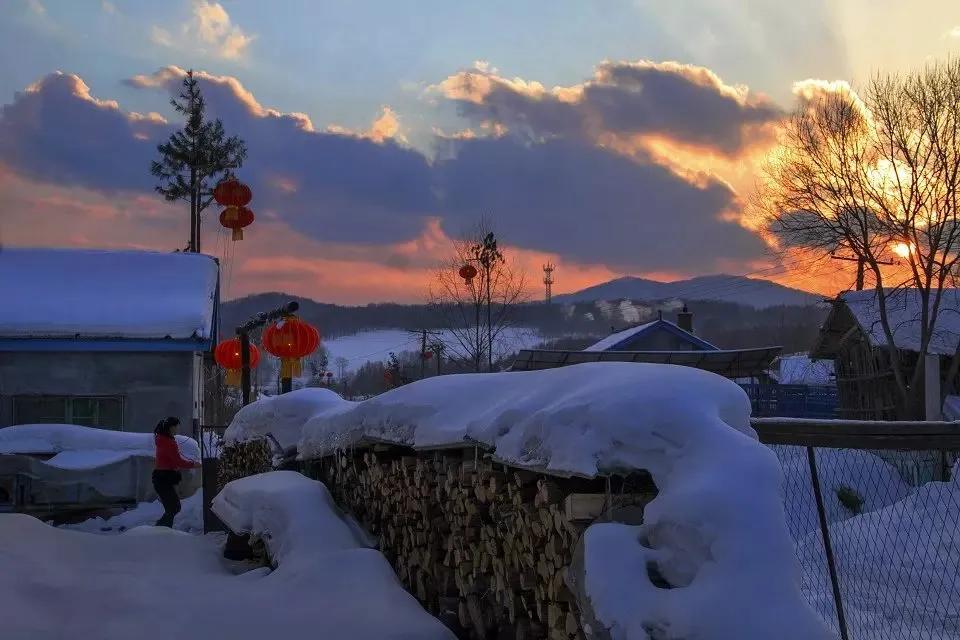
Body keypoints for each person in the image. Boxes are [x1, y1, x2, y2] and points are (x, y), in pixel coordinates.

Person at [153, 416, 199, 528]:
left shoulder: (162, 438)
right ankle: (161, 530)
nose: (178, 429)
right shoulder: (168, 442)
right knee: (174, 507)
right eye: (176, 427)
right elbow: (178, 461)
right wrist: (193, 464)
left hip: (161, 478)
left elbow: (173, 459)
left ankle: (162, 529)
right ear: (170, 427)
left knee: (172, 507)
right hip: (163, 478)